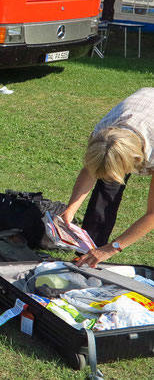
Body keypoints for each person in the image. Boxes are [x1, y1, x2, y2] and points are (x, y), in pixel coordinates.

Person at [60, 88, 154, 267]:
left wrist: (111, 248)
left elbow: (153, 214)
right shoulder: (102, 135)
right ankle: (86, 256)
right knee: (106, 188)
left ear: (135, 162)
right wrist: (70, 210)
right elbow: (90, 169)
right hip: (142, 109)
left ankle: (96, 253)